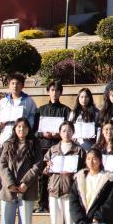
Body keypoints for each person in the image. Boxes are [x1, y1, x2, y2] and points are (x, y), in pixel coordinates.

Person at [0, 117, 43, 224]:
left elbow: (37, 165)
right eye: (18, 127)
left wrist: (25, 182)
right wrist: (10, 183)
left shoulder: (35, 144)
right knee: (7, 223)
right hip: (8, 190)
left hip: (26, 189)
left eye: (24, 127)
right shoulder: (8, 144)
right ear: (14, 129)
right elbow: (2, 165)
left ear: (29, 129)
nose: (21, 130)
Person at [44, 121, 84, 224]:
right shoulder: (53, 150)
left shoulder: (79, 150)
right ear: (59, 132)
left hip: (70, 191)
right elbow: (44, 170)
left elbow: (83, 170)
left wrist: (74, 174)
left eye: (69, 130)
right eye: (64, 130)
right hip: (54, 190)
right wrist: (48, 167)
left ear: (73, 132)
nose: (66, 133)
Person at [35, 81, 71, 213]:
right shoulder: (41, 110)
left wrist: (59, 135)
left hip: (59, 148)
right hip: (44, 147)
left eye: (57, 90)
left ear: (60, 93)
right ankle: (43, 204)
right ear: (48, 92)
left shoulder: (66, 110)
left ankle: (60, 202)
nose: (54, 93)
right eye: (52, 90)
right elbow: (34, 130)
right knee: (43, 176)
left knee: (59, 175)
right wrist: (42, 133)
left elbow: (70, 129)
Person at [0, 73, 37, 145]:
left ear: (22, 85)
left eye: (18, 83)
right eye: (12, 83)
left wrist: (26, 127)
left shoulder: (29, 101)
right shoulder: (3, 101)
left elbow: (32, 118)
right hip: (6, 136)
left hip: (22, 137)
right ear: (9, 85)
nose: (15, 86)